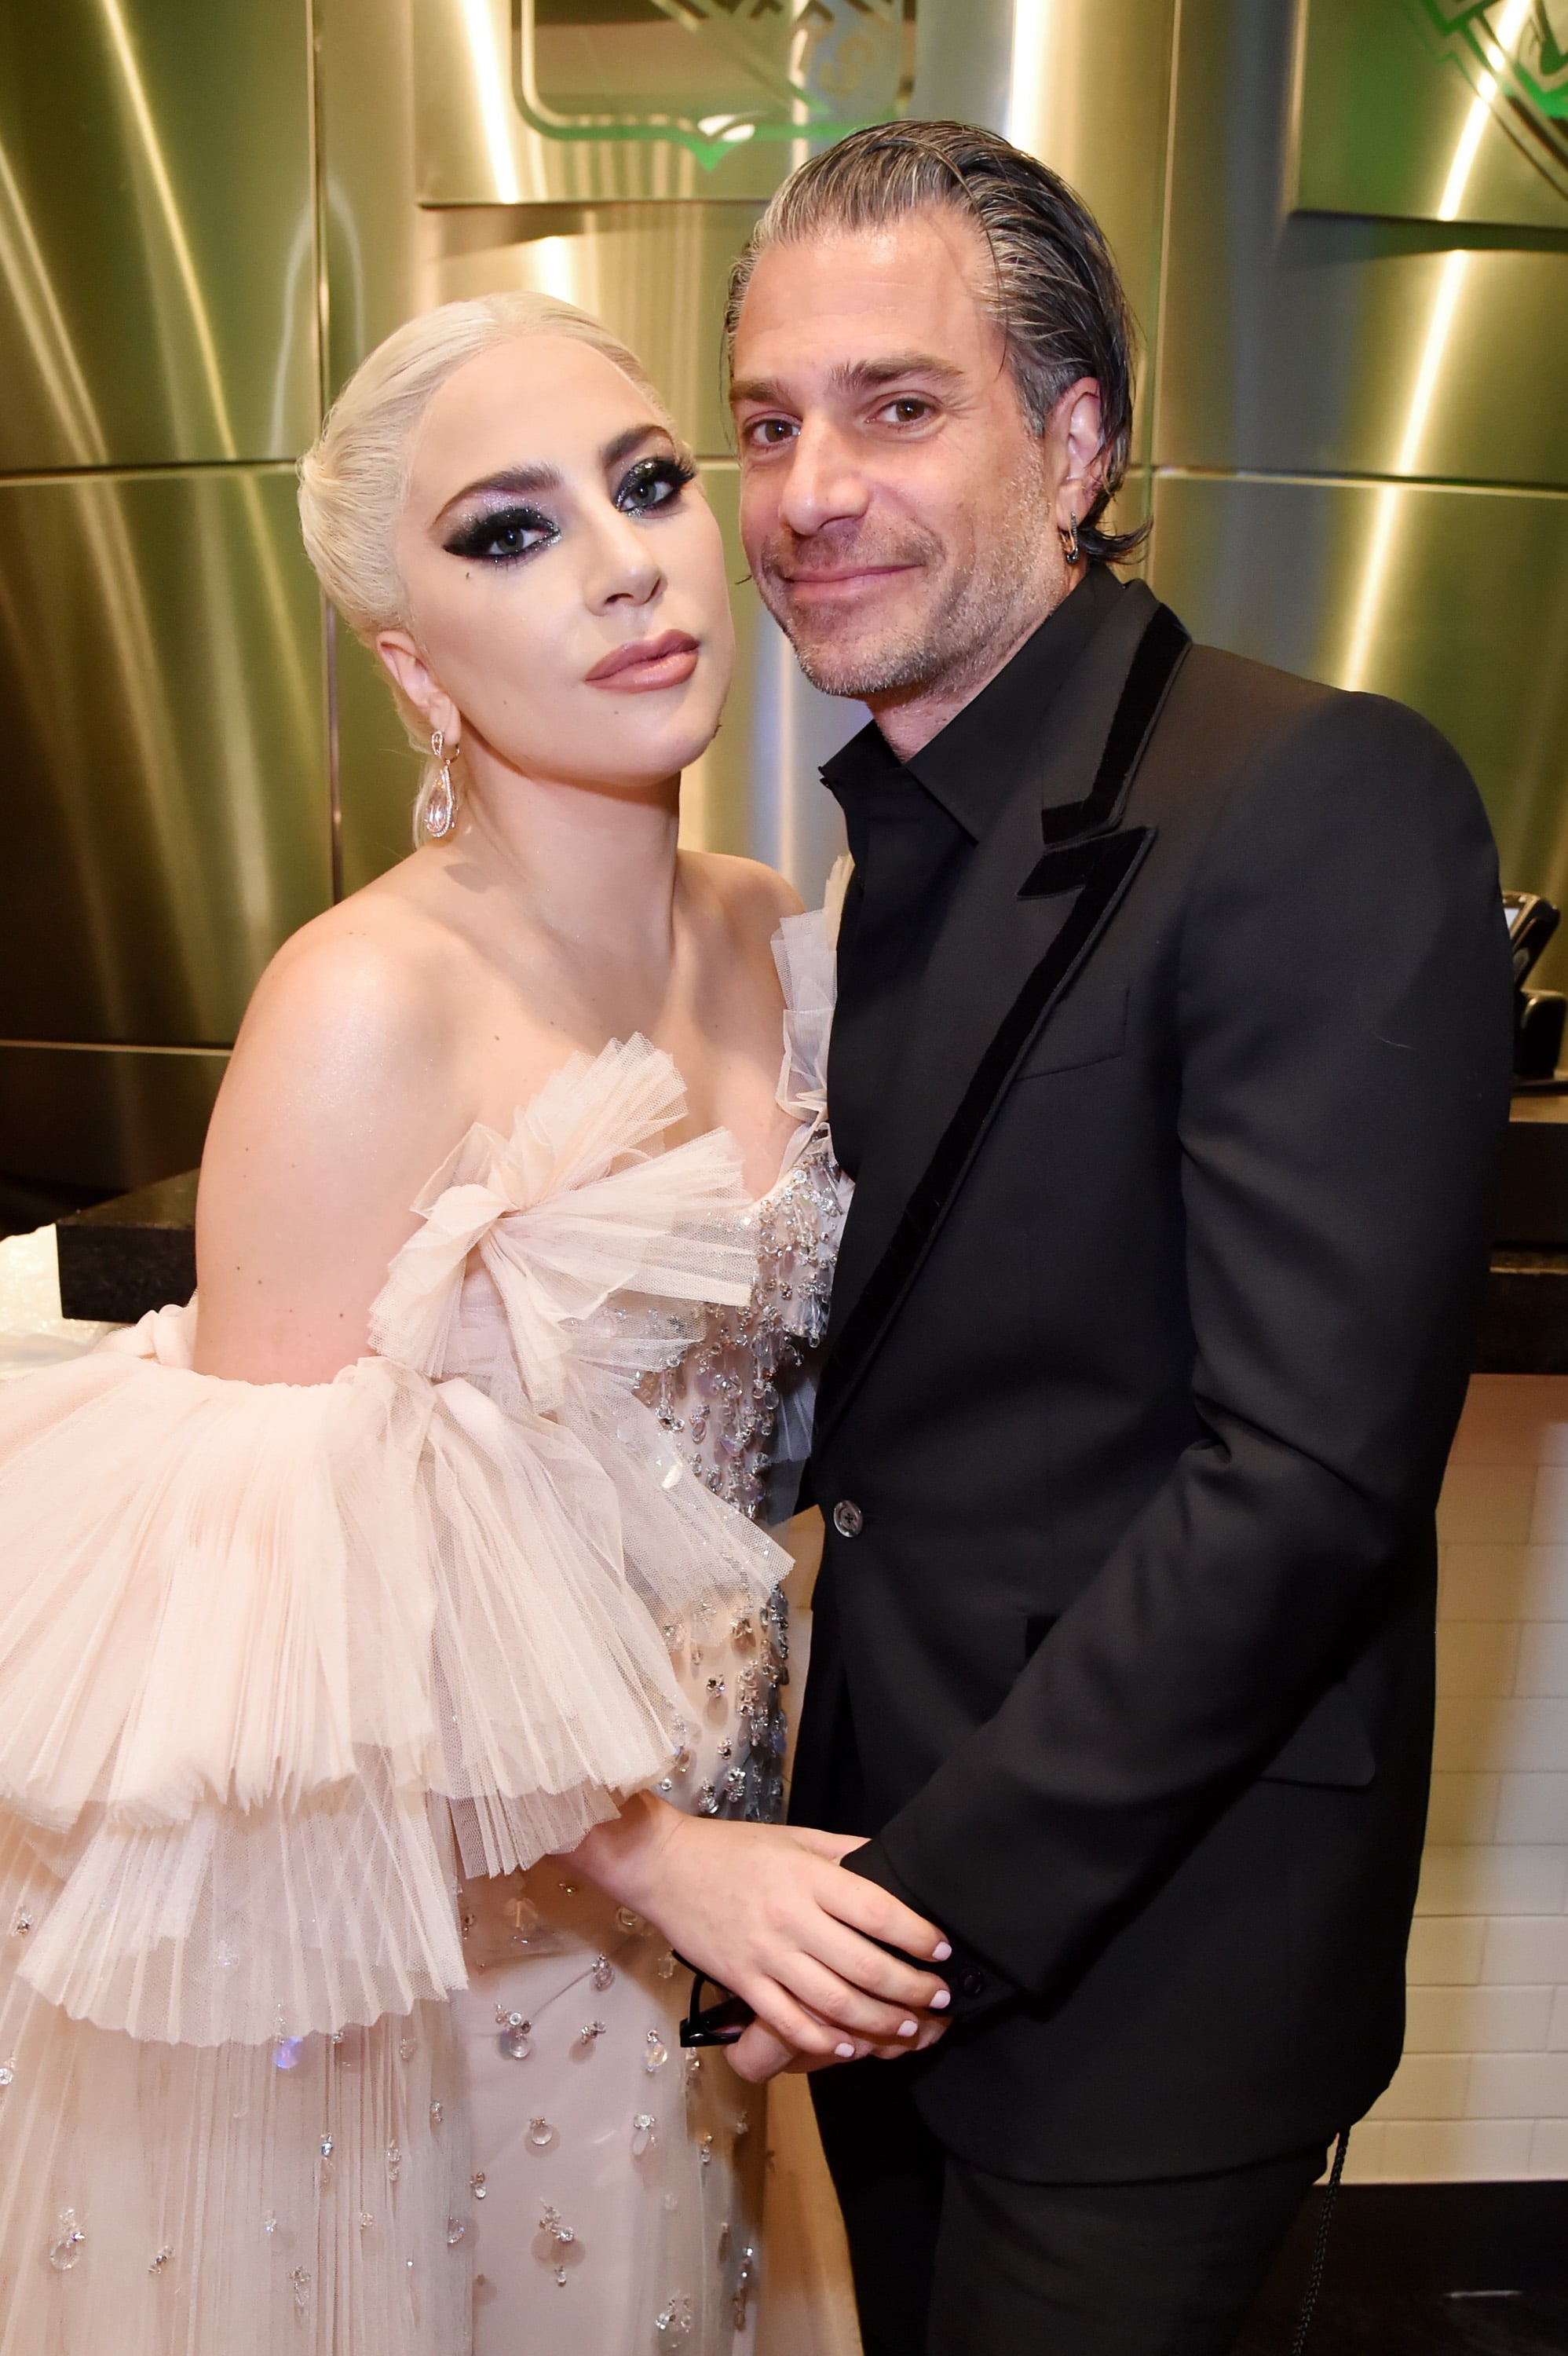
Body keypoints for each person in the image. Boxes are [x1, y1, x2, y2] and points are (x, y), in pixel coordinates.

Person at [0, 291, 948, 2356]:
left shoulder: (782, 942)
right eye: (507, 531)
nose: (619, 560)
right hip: (422, 1969)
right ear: (412, 665)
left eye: (644, 484)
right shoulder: (365, 1008)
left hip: (709, 1933)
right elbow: (258, 1638)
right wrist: (657, 1858)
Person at [722, 123, 1515, 2354]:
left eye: (898, 407)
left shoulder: (1313, 793)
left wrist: (919, 1908)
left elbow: (1309, 1482)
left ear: (1078, 446)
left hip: (1150, 1957)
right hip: (882, 1903)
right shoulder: (876, 863)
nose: (808, 490)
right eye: (770, 422)